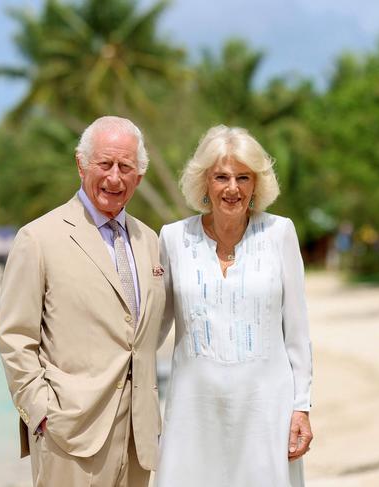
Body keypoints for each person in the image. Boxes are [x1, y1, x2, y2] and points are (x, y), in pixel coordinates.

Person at [0, 116, 166, 487]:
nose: (114, 177)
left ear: (139, 176)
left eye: (126, 167)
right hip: (69, 435)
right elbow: (15, 339)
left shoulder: (151, 241)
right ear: (80, 164)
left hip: (139, 438)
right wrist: (40, 413)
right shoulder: (38, 238)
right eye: (104, 164)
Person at [156, 125, 313, 487]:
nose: (232, 188)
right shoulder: (173, 238)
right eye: (222, 177)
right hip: (193, 407)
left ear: (256, 184)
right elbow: (153, 329)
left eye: (243, 177)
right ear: (204, 183)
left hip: (266, 405)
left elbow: (298, 330)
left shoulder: (280, 233)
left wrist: (301, 406)